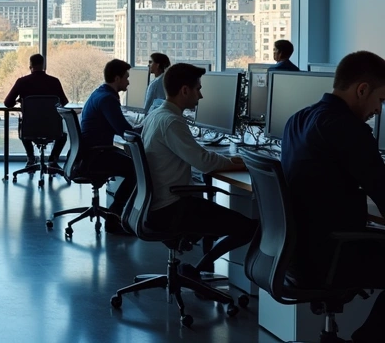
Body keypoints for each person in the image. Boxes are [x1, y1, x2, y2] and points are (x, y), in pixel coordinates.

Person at [281, 51, 385, 343]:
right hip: (332, 256)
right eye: (380, 100)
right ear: (362, 89)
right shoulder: (348, 129)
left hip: (294, 255)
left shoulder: (297, 119)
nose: (378, 110)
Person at [141, 63, 256, 277]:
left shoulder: (156, 115)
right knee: (250, 228)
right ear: (185, 90)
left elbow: (197, 158)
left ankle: (200, 269)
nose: (201, 96)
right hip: (172, 209)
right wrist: (240, 162)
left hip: (157, 205)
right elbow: (204, 162)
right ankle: (200, 270)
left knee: (218, 214)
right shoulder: (171, 122)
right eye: (198, 89)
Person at [79, 59, 140, 231]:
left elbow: (120, 127)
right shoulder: (107, 99)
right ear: (116, 78)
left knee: (133, 165)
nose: (128, 81)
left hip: (91, 153)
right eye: (126, 77)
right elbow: (124, 131)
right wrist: (146, 130)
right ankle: (115, 218)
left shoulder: (100, 93)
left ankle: (118, 215)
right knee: (139, 170)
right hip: (97, 155)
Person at [3, 53, 69, 168]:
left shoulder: (22, 82)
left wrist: (20, 101)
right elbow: (64, 102)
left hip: (30, 128)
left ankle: (31, 158)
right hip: (52, 127)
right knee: (63, 136)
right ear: (44, 66)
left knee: (23, 128)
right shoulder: (54, 81)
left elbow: (7, 103)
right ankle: (53, 160)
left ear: (30, 66)